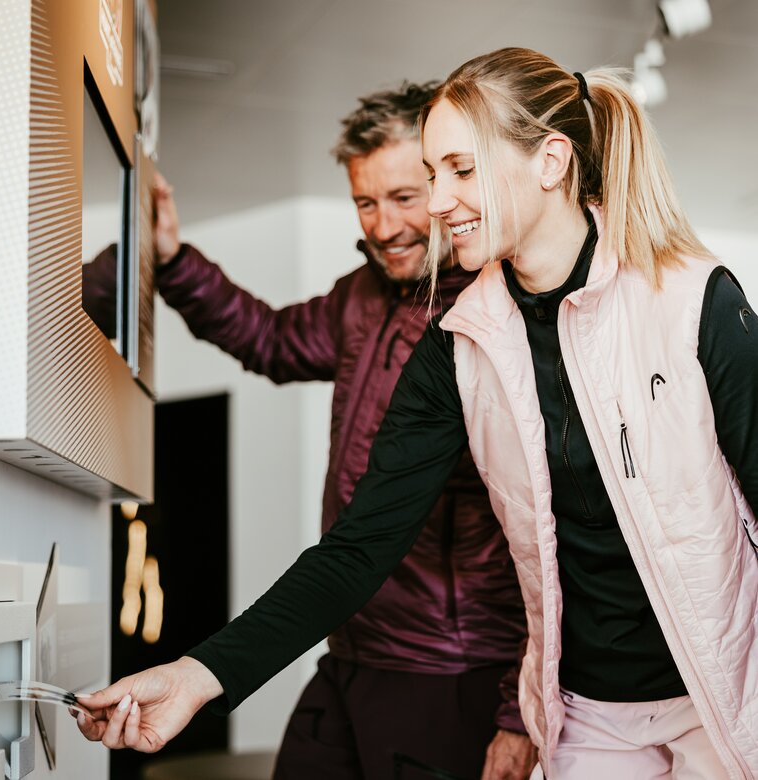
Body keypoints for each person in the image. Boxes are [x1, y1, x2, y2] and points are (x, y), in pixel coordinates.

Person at [77, 47, 758, 779]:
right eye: (434, 176)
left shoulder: (694, 302)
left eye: (460, 171)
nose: (436, 203)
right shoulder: (458, 345)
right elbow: (358, 548)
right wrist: (198, 674)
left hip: (720, 697)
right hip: (586, 714)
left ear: (552, 162)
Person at [81, 82, 532, 780]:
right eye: (365, 203)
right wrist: (173, 261)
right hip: (349, 643)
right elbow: (270, 339)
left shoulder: (492, 315)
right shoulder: (359, 297)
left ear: (445, 188)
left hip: (449, 669)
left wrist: (517, 707)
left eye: (404, 197)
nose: (383, 226)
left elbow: (546, 532)